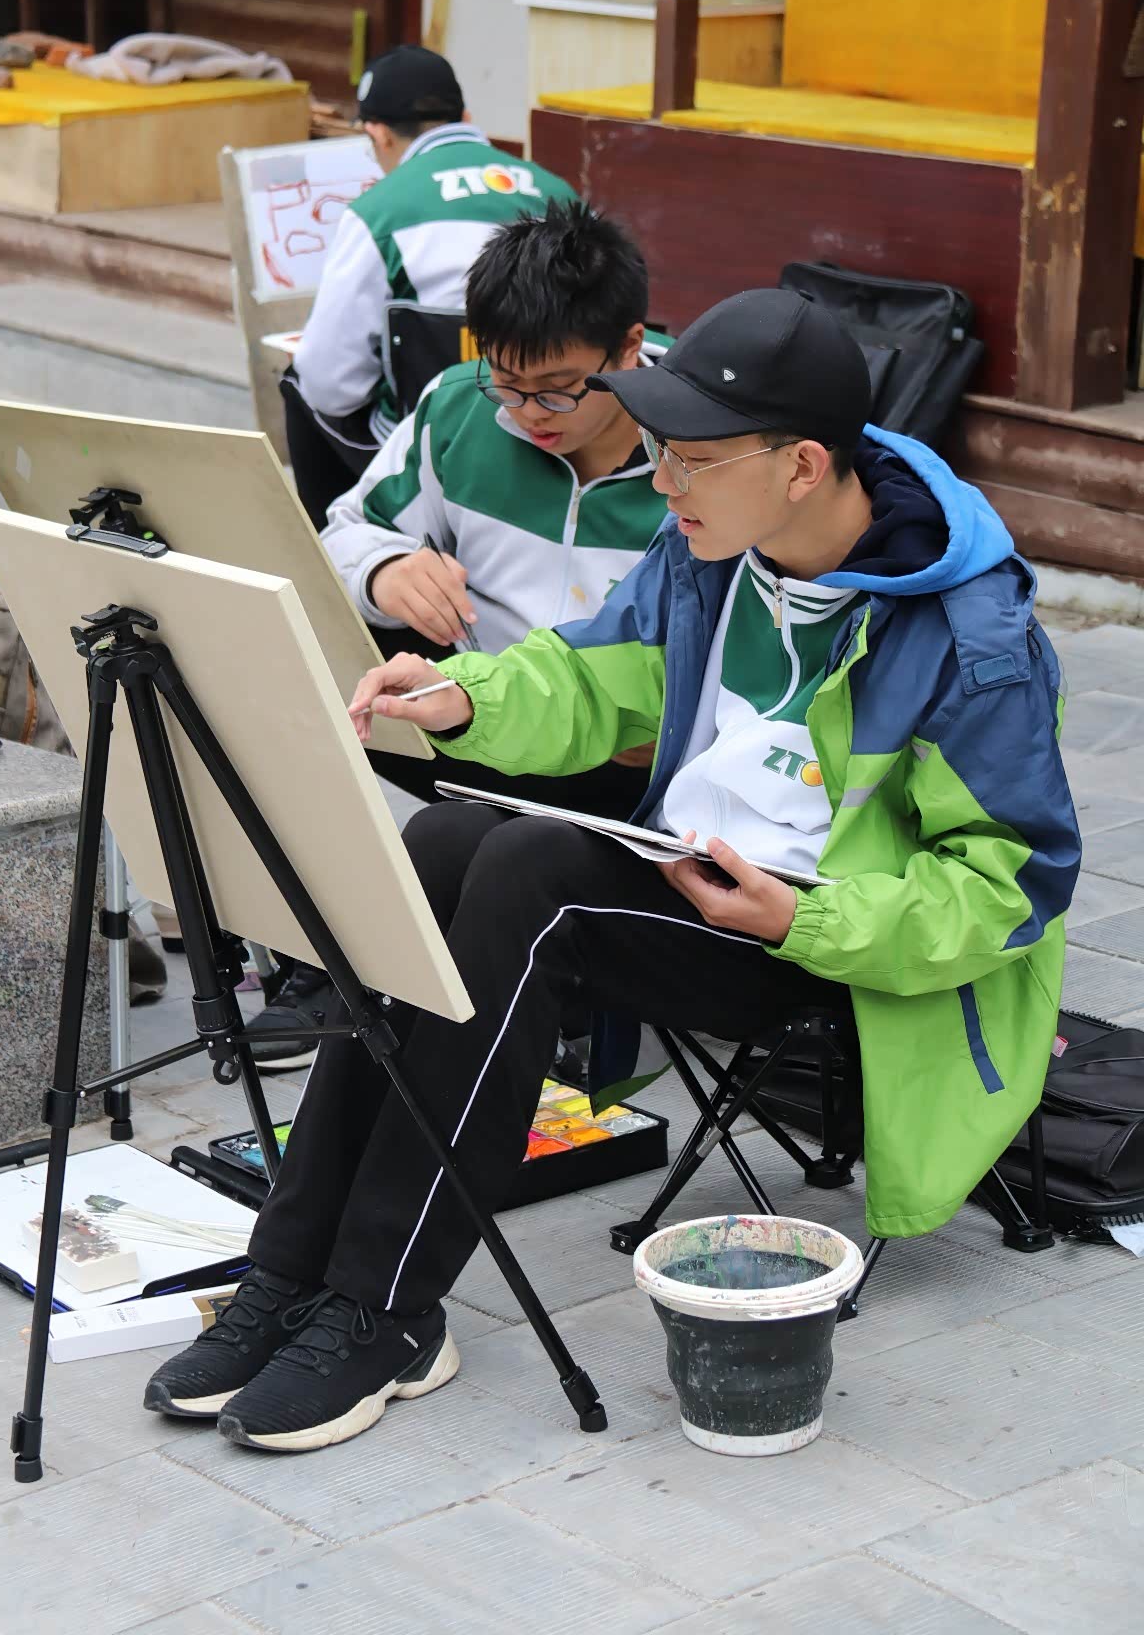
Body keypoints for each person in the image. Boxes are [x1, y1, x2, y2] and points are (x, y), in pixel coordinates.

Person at [146, 288, 1080, 1455]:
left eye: (691, 458)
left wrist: (799, 917)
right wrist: (460, 695)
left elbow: (1009, 889)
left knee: (533, 874)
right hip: (692, 883)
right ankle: (289, 1271)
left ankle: (385, 1309)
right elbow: (594, 678)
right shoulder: (708, 552)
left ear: (800, 467)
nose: (662, 480)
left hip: (828, 945)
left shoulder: (970, 641)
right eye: (661, 450)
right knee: (441, 841)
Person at [247, 200, 667, 1066]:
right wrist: (386, 570)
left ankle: (512, 985)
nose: (529, 412)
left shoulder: (697, 448)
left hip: (632, 767)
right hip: (483, 726)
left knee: (496, 845)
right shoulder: (456, 408)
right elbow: (345, 530)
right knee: (283, 694)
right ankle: (333, 962)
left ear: (630, 348)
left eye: (559, 388)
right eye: (507, 382)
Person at [282, 44, 576, 527]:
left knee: (300, 380)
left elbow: (330, 385)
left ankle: (337, 541)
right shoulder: (558, 191)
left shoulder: (379, 211)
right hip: (557, 422)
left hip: (429, 436)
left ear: (377, 133)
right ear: (465, 117)